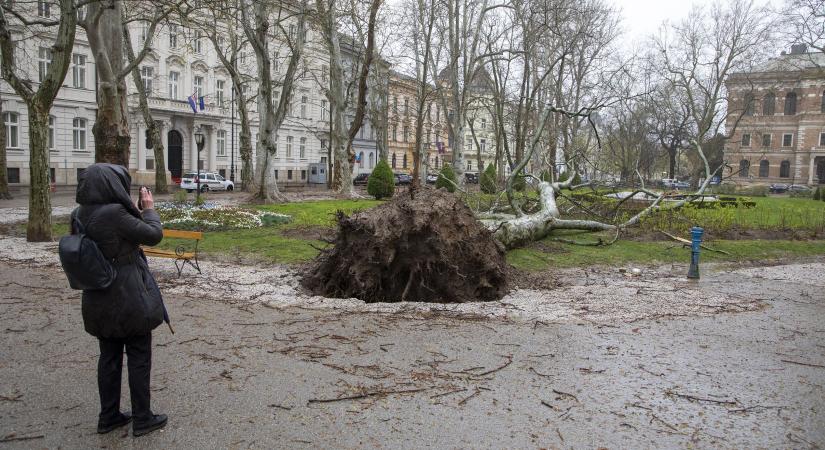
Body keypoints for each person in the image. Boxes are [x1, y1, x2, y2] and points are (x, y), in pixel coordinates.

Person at [71, 163, 169, 437]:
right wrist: (148, 208)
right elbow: (153, 235)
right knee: (139, 355)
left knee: (109, 357)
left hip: (97, 296)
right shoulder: (114, 213)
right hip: (127, 296)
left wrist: (134, 212)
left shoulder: (79, 213)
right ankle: (143, 418)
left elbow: (115, 238)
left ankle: (109, 416)